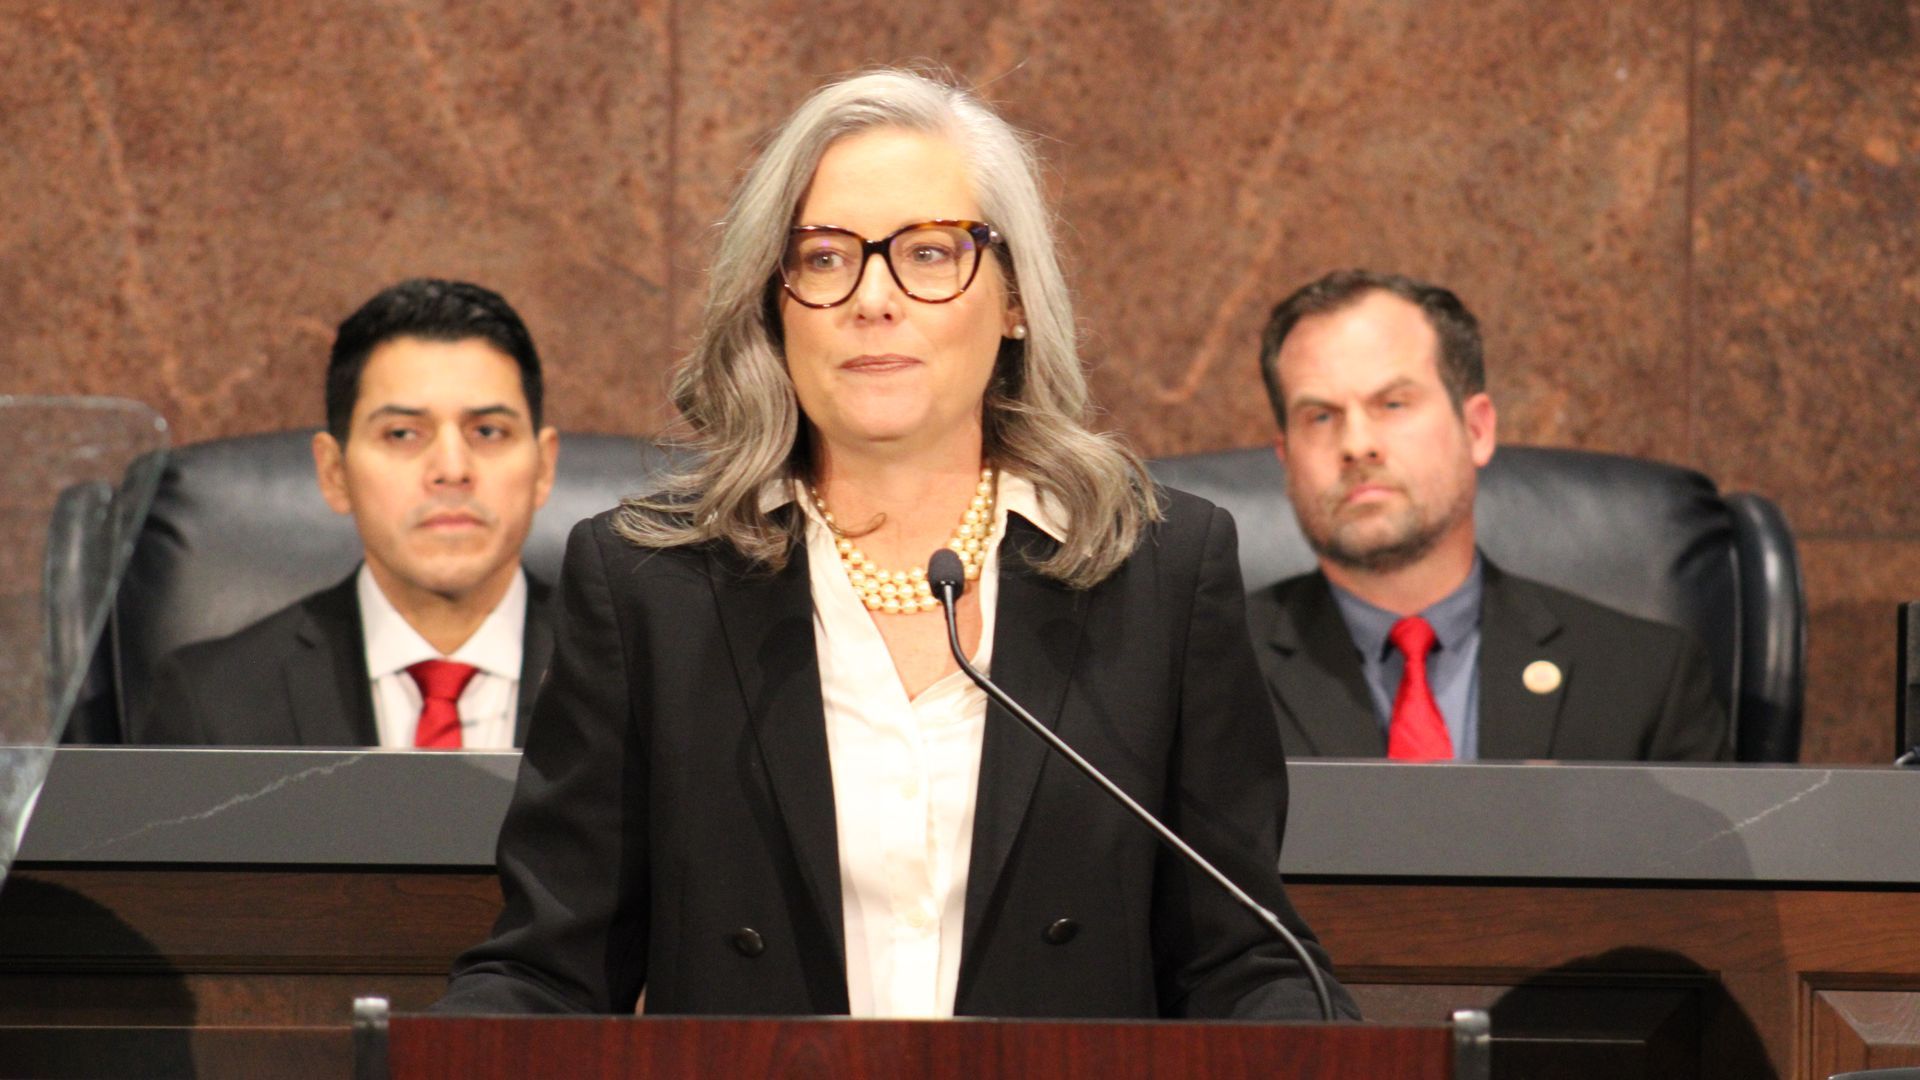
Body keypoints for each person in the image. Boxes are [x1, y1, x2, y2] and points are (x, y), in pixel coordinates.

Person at [435, 69, 1355, 1020]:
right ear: (773, 305)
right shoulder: (651, 586)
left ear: (1013, 301)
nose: (873, 298)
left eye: (928, 252)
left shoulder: (1158, 569)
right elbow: (551, 967)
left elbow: (1243, 957)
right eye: (826, 258)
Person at [1250, 269, 1730, 761]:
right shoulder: (1205, 671)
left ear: (1476, 430)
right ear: (1286, 457)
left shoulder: (1644, 679)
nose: (1356, 445)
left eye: (1393, 404)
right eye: (1321, 417)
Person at [136, 278, 561, 748]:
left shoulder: (639, 683)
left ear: (543, 467)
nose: (452, 469)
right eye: (402, 434)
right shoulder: (213, 703)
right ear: (334, 472)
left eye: (488, 432)